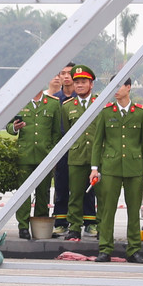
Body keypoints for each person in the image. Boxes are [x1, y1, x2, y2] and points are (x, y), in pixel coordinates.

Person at [88, 78, 143, 263]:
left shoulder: (140, 113)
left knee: (134, 210)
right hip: (111, 167)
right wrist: (95, 168)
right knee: (107, 210)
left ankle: (133, 250)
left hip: (134, 167)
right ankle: (105, 248)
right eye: (113, 86)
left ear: (128, 87)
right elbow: (98, 143)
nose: (115, 90)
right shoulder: (107, 112)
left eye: (119, 86)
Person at [6, 88, 61, 239]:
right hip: (25, 155)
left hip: (45, 155)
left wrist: (54, 155)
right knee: (23, 192)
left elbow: (56, 132)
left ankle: (40, 224)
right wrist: (14, 128)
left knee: (43, 193)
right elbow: (8, 126)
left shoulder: (53, 104)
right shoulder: (20, 101)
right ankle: (23, 226)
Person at [61, 64, 98, 242]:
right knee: (75, 194)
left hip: (97, 156)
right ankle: (74, 227)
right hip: (76, 156)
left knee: (102, 194)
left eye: (83, 82)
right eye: (77, 82)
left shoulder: (100, 103)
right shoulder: (67, 107)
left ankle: (100, 226)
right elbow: (67, 133)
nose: (80, 85)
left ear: (91, 84)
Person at [50, 63, 76, 235]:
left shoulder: (82, 98)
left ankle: (87, 221)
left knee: (83, 187)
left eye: (69, 73)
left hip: (79, 147)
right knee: (60, 185)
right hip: (59, 148)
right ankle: (60, 221)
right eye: (63, 73)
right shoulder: (54, 99)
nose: (66, 76)